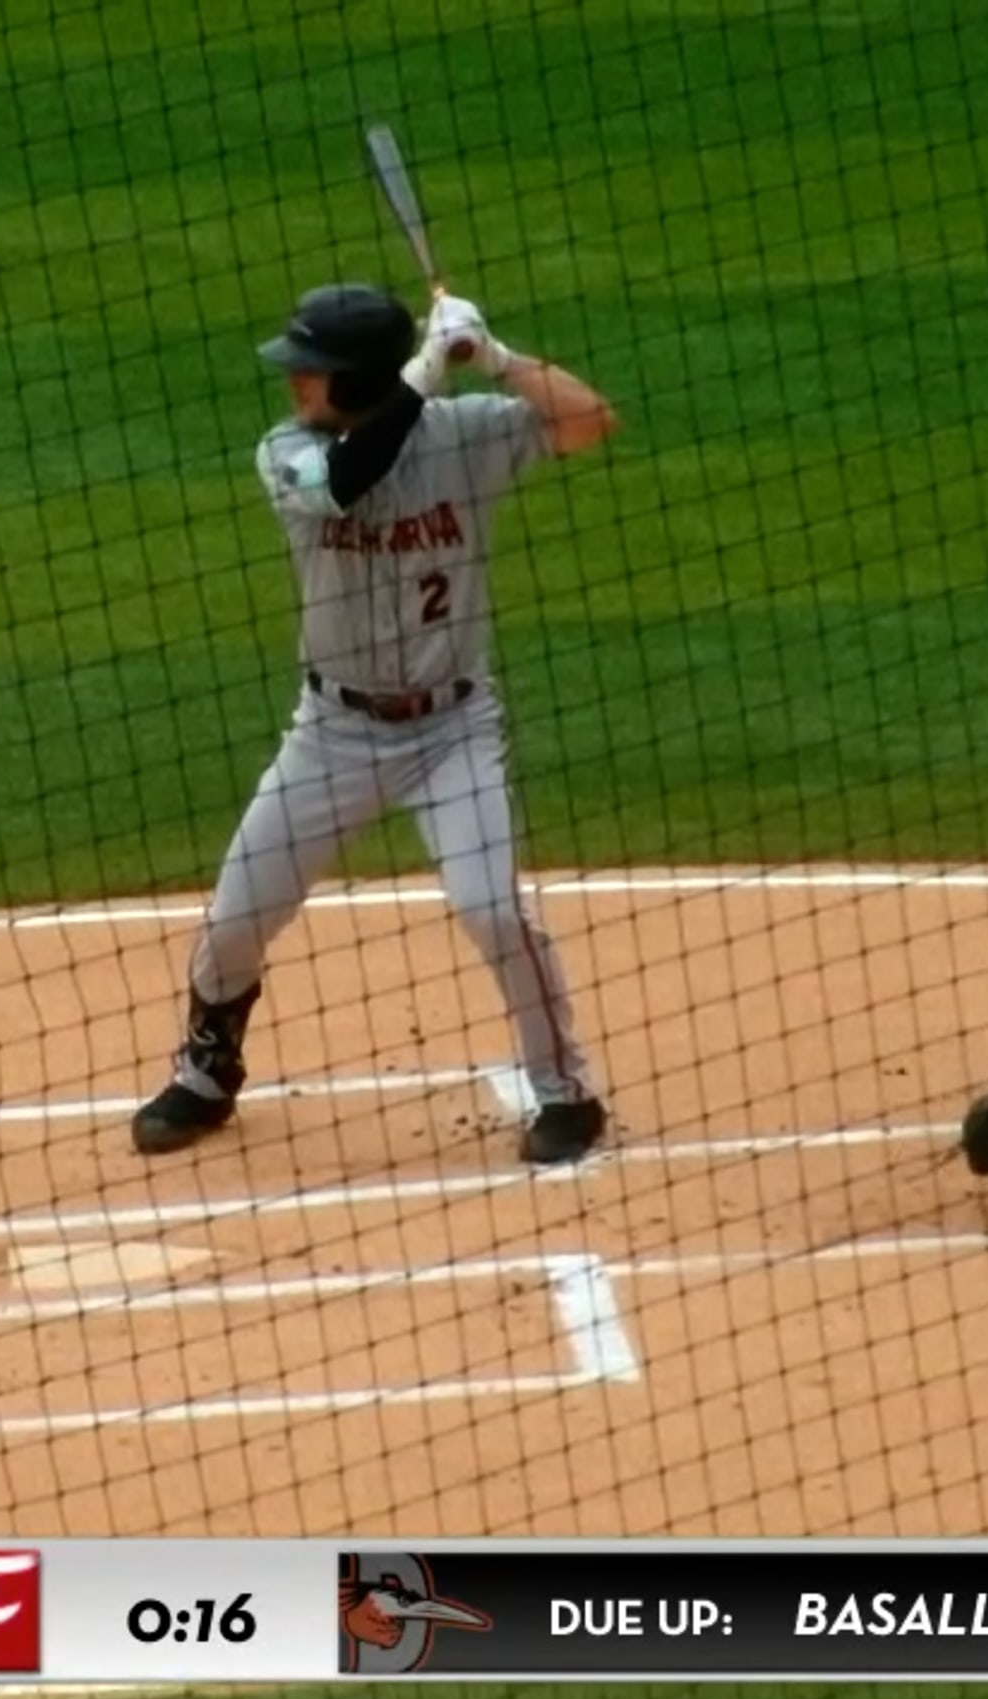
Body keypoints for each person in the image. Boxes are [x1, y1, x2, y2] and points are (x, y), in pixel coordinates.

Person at [130, 282, 620, 1165]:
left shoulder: (463, 435)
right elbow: (350, 484)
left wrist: (499, 358)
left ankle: (566, 1092)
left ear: (354, 379)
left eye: (309, 371)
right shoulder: (286, 453)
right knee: (239, 912)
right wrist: (425, 375)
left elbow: (590, 422)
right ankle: (207, 1069)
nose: (293, 385)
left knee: (493, 911)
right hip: (333, 733)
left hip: (452, 731)